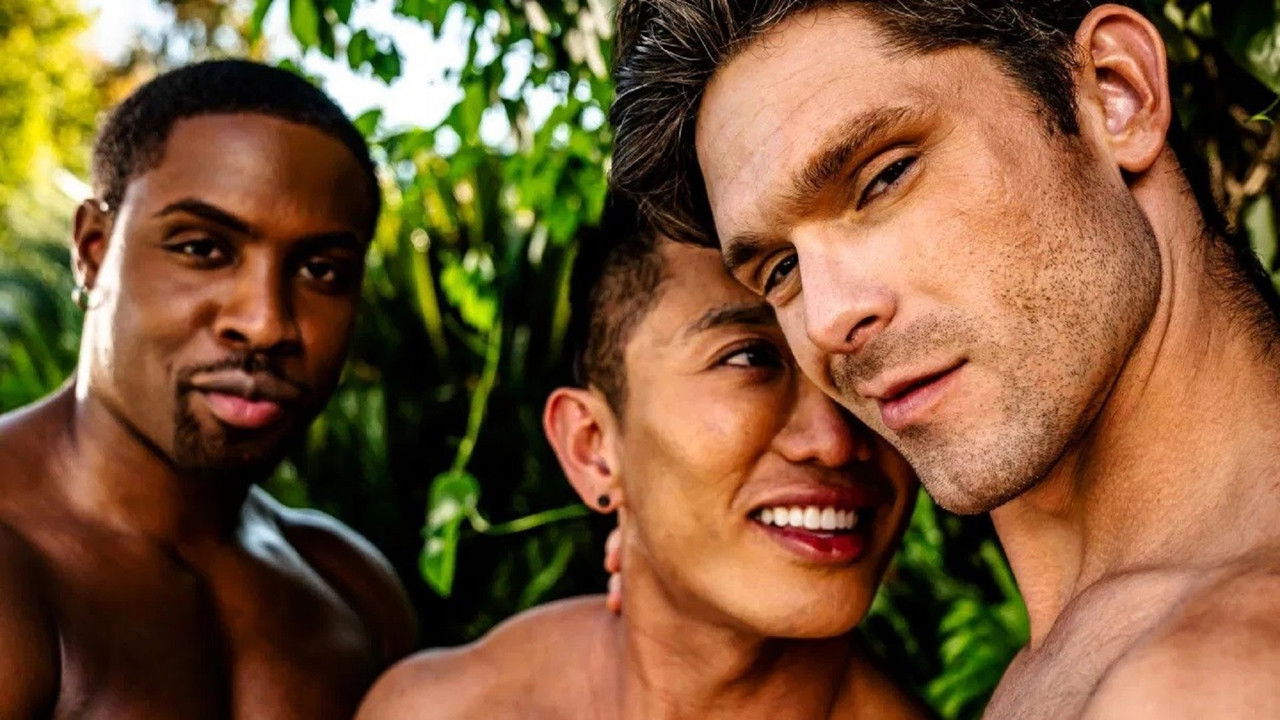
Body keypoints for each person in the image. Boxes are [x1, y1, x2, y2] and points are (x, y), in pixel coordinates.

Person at [609, 2, 1280, 718]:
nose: (827, 320)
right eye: (781, 269)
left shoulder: (1209, 679)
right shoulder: (1090, 653)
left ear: (1118, 96)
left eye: (885, 177)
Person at [355, 208, 927, 720]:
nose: (834, 441)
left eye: (865, 358)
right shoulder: (438, 708)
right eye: (750, 357)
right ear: (593, 447)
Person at [0, 60, 415, 719]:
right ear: (93, 251)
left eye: (321, 270)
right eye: (202, 249)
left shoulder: (351, 586)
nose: (267, 322)